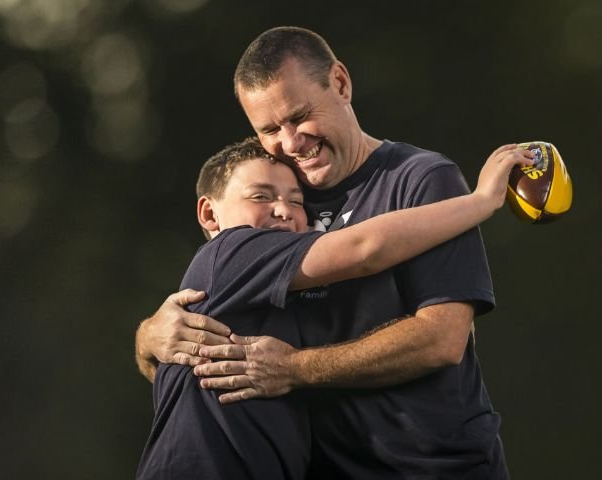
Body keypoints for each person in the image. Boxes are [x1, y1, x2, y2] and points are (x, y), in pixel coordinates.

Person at [136, 26, 512, 477]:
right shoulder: (277, 204)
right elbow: (205, 321)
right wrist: (149, 338)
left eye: (299, 116)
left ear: (340, 83)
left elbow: (442, 341)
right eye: (270, 129)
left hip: (435, 469)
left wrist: (295, 368)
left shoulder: (423, 180)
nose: (291, 143)